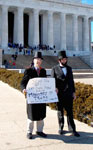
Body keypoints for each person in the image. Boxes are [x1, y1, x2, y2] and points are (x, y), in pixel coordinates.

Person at [51, 51, 80, 137]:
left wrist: (74, 92)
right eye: (63, 59)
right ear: (59, 60)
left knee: (70, 113)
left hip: (69, 94)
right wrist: (54, 88)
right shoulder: (54, 69)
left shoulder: (69, 68)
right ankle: (61, 127)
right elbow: (52, 81)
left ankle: (72, 129)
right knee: (60, 112)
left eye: (66, 59)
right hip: (59, 94)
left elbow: (71, 81)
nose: (65, 60)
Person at [21, 51, 47, 139]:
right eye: (36, 59)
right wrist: (23, 89)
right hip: (32, 97)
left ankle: (39, 131)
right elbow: (23, 82)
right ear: (34, 60)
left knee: (40, 115)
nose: (38, 61)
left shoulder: (43, 71)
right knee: (31, 115)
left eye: (39, 59)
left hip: (41, 97)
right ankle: (29, 132)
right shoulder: (28, 70)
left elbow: (46, 83)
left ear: (41, 61)